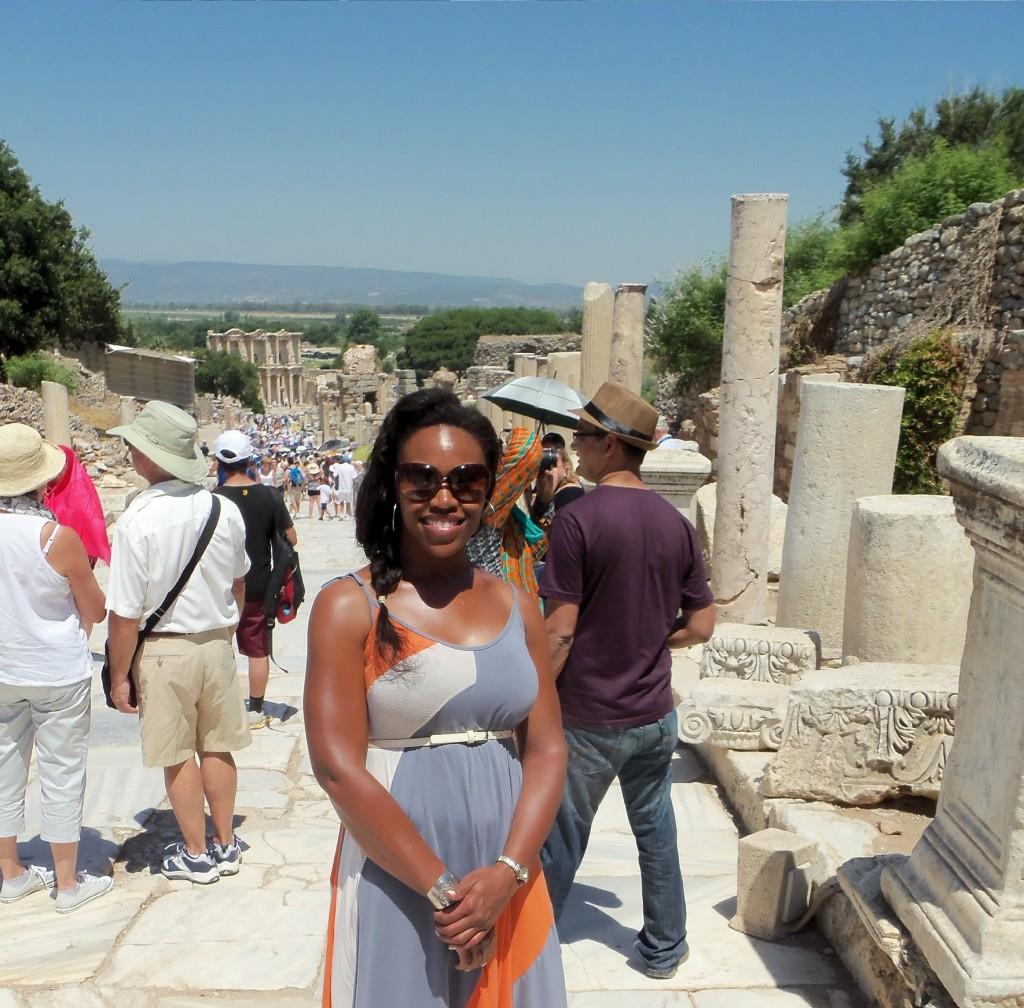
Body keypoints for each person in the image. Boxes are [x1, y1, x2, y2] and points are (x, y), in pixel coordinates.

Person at [305, 388, 568, 1007]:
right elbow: (338, 769)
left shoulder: (518, 606)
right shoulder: (350, 606)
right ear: (392, 484)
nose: (444, 497)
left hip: (508, 871)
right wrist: (444, 893)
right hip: (402, 872)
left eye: (466, 479)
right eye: (422, 479)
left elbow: (548, 750)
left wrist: (507, 874)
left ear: (488, 488)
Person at [538, 382, 717, 980]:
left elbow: (561, 631)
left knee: (561, 835)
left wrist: (532, 700)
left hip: (589, 713)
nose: (576, 452)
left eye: (584, 439)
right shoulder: (676, 524)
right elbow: (703, 625)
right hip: (654, 713)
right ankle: (666, 947)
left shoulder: (578, 520)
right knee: (656, 829)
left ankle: (531, 950)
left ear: (610, 444)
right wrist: (650, 640)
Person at [105, 402, 252, 885]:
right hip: (214, 642)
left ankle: (194, 852)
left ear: (148, 456)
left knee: (176, 753)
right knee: (218, 747)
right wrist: (224, 632)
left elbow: (125, 614)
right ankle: (226, 843)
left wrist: (121, 674)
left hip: (165, 650)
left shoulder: (137, 520)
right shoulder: (222, 508)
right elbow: (239, 582)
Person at [0, 424, 111, 913]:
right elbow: (95, 609)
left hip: (4, 668)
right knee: (62, 773)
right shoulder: (56, 537)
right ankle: (67, 885)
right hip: (57, 671)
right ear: (42, 482)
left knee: (4, 771)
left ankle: (11, 874)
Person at [213, 430, 297, 730]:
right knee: (257, 650)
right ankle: (256, 708)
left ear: (218, 461)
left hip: (218, 586)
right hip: (259, 584)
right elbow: (292, 538)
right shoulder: (270, 496)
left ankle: (220, 707)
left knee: (219, 648)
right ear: (251, 459)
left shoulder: (213, 499)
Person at [466, 427, 552, 600]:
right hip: (498, 609)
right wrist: (509, 436)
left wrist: (542, 501)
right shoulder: (487, 501)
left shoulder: (506, 511)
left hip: (518, 606)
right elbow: (528, 452)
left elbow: (533, 552)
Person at [333, 454, 357, 520]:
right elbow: (354, 477)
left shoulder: (338, 467)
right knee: (348, 502)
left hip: (341, 487)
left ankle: (341, 514)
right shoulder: (351, 467)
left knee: (341, 502)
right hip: (349, 487)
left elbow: (334, 475)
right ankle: (348, 514)